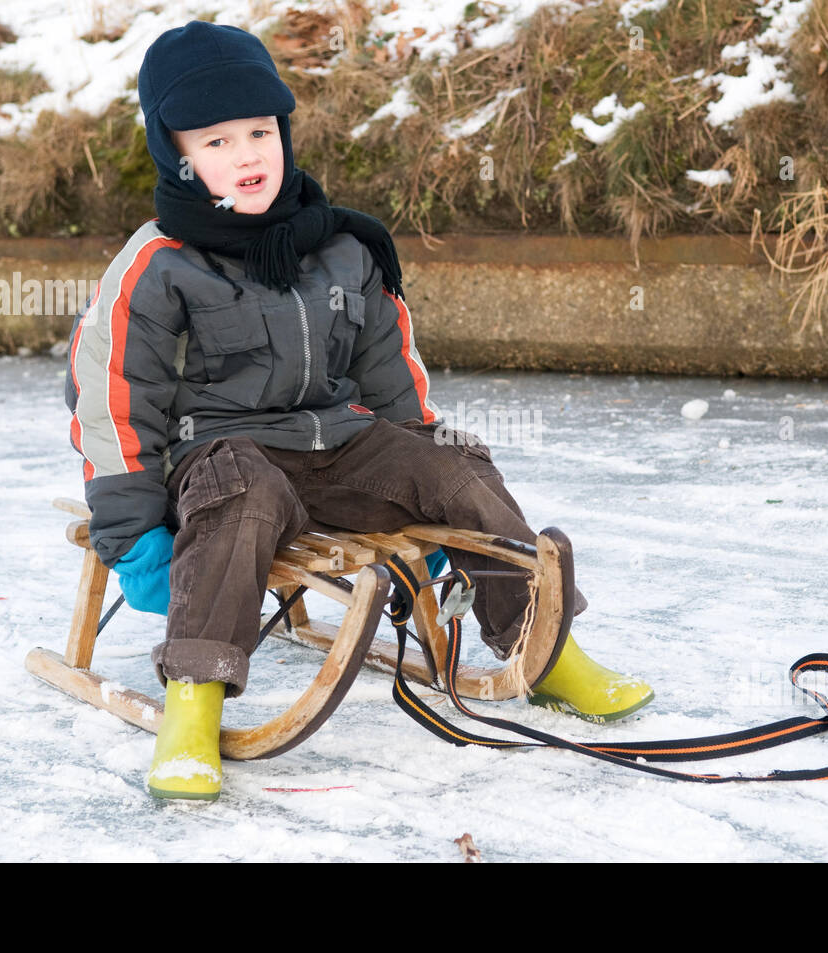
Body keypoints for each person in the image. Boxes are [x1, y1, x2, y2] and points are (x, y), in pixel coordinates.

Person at [65, 20, 653, 801]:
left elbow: (391, 382)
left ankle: (546, 649)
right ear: (176, 154)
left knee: (455, 465)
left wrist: (428, 492)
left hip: (337, 448)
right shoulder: (157, 265)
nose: (246, 155)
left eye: (259, 131)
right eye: (215, 142)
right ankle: (193, 702)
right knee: (243, 489)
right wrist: (133, 534)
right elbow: (114, 400)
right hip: (218, 455)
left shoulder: (344, 248)